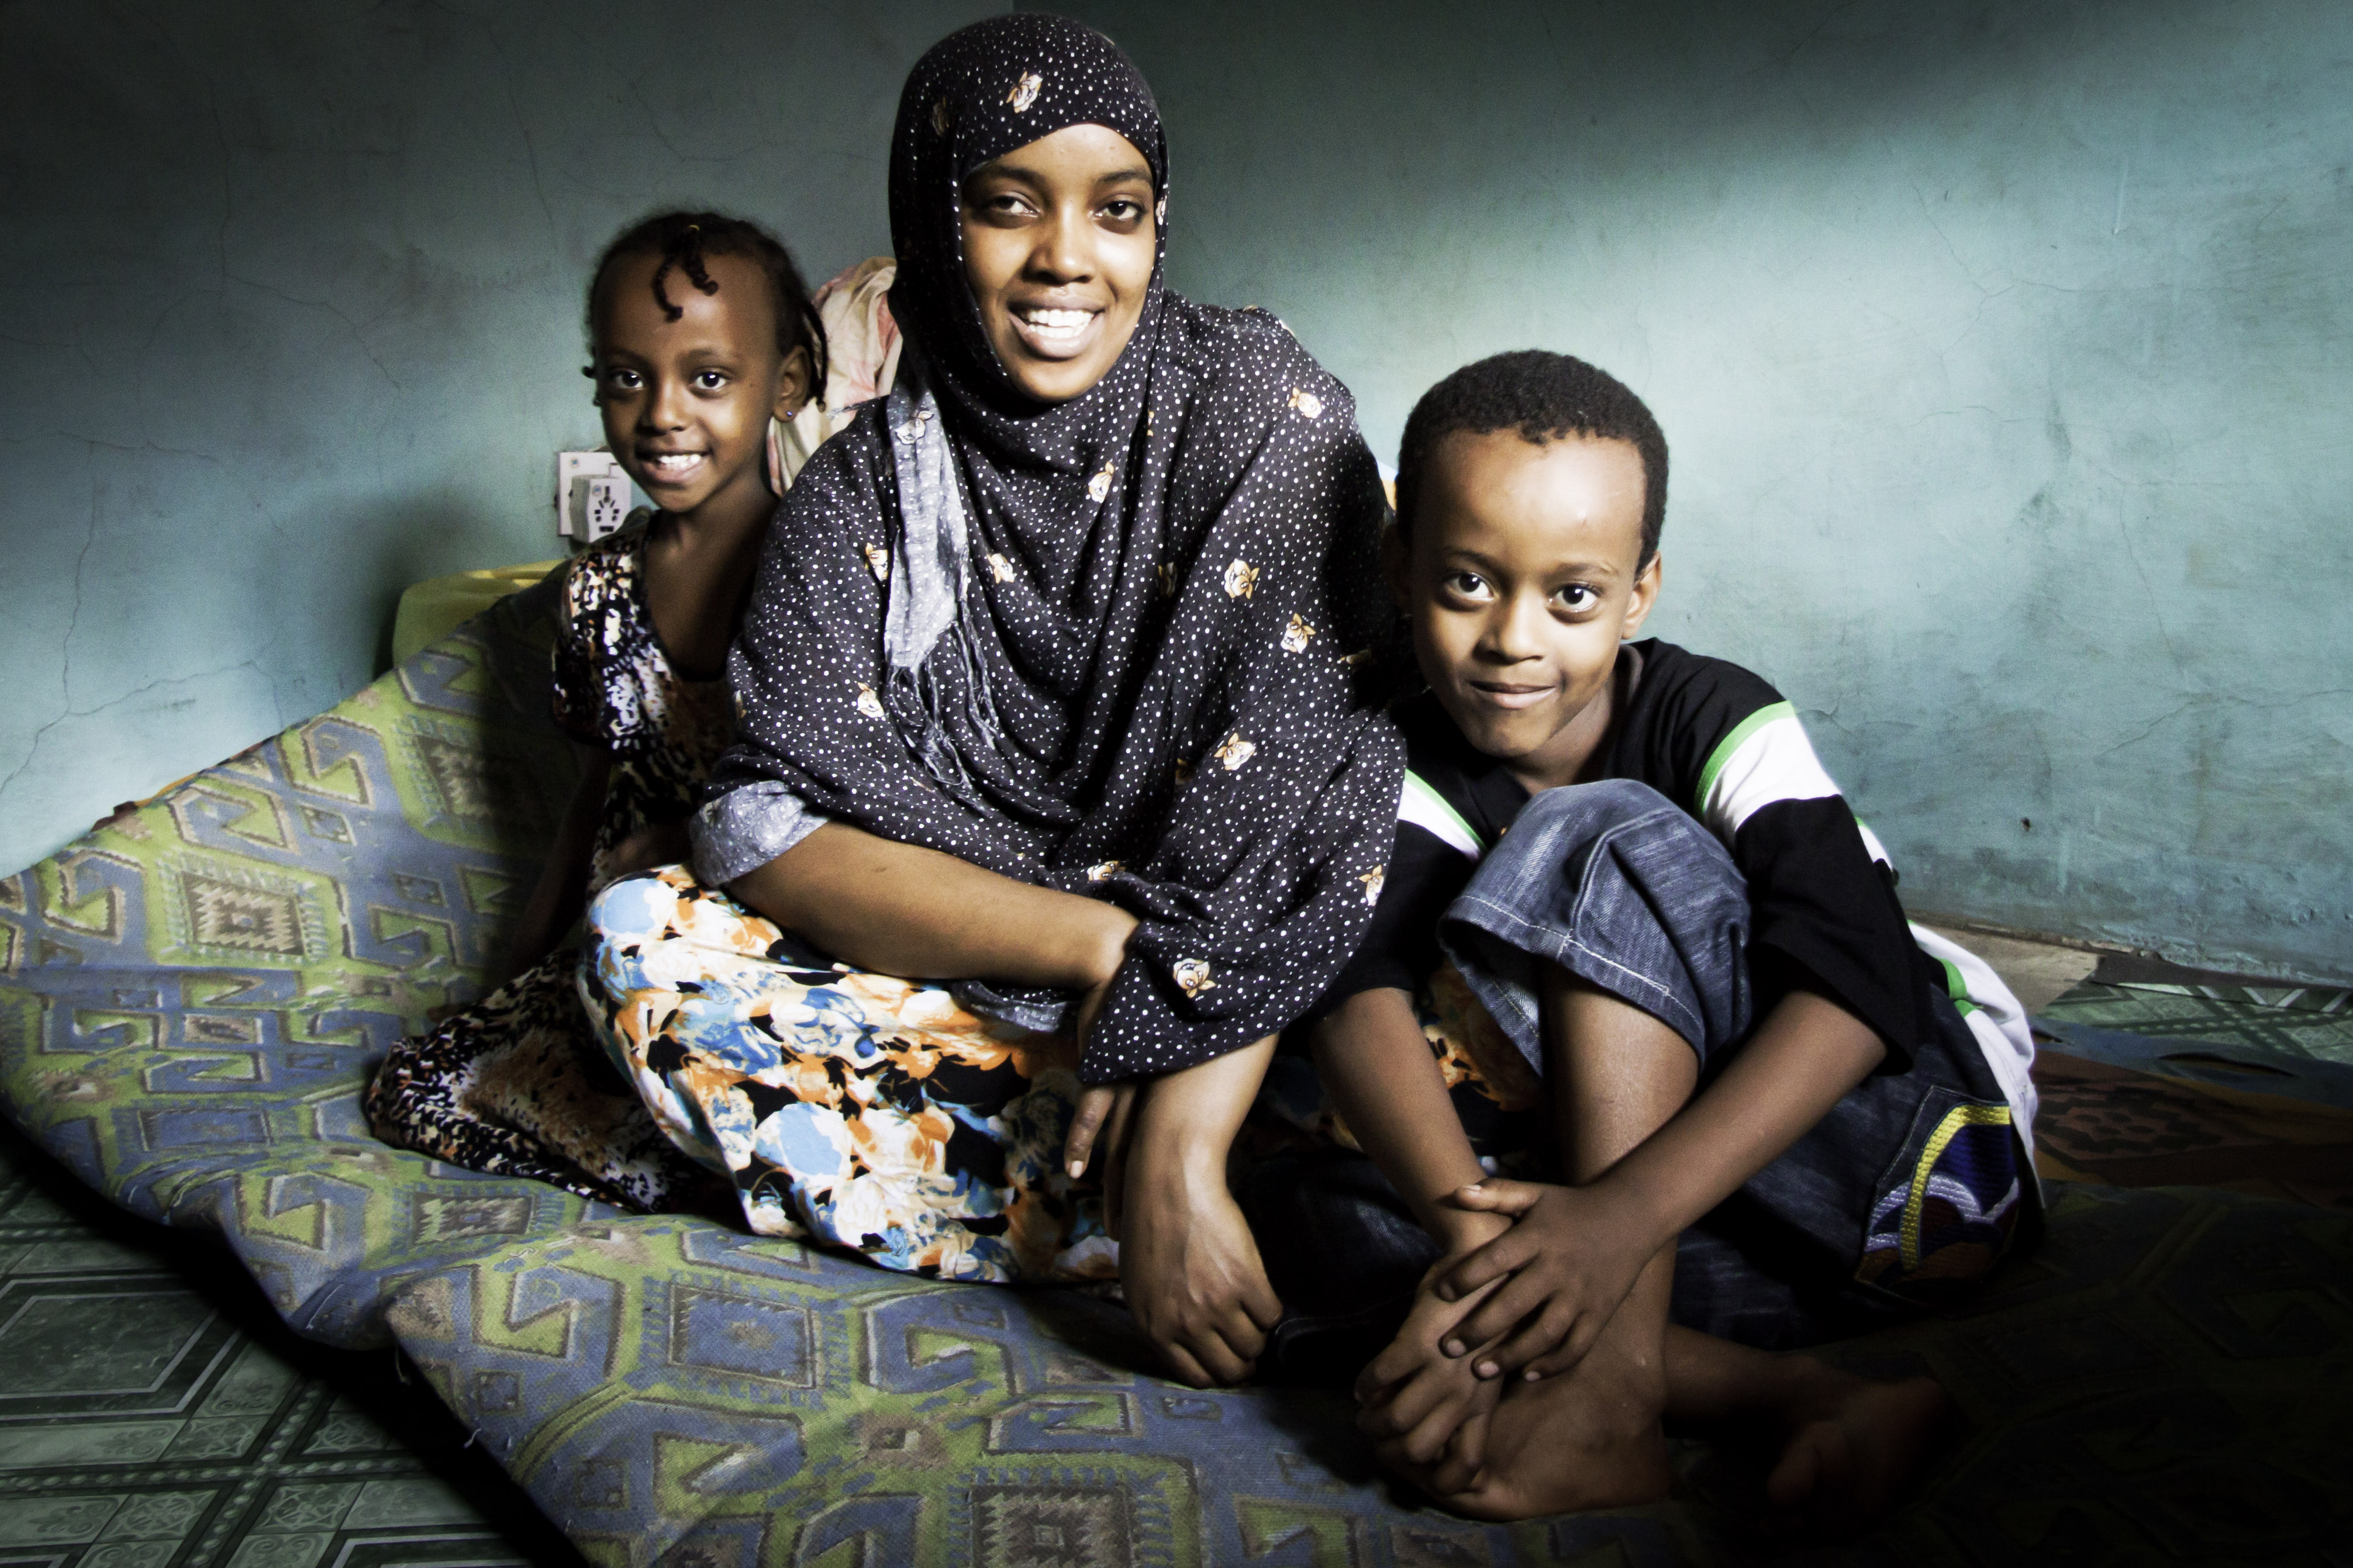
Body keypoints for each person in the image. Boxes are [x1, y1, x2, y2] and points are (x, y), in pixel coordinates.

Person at [579, 14, 1403, 1390]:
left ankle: (1172, 1181)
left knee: (1436, 961)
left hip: (1259, 991)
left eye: (1117, 211)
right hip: (993, 987)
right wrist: (1101, 960)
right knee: (639, 945)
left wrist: (1180, 1110)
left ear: (1159, 226)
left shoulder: (1264, 411)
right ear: (929, 218)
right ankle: (1194, 1216)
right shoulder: (859, 489)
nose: (1066, 259)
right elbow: (760, 820)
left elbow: (1323, 795)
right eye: (1005, 205)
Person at [1303, 350, 2038, 1531]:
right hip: (1767, 1251)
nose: (1511, 639)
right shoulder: (1402, 768)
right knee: (1332, 1214)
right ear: (1398, 568)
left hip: (1924, 1154)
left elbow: (1858, 990)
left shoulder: (1709, 716)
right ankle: (1803, 1396)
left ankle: (1598, 1406)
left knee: (1598, 832)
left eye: (1571, 597)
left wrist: (1619, 1220)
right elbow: (1352, 992)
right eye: (1464, 584)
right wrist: (1477, 1258)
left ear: (1640, 592)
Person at [367, 216, 895, 1210]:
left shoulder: (820, 573)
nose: (660, 414)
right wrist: (515, 971)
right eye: (624, 377)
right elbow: (594, 798)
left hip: (783, 933)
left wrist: (684, 852)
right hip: (627, 939)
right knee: (426, 1085)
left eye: (707, 378)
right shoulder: (596, 594)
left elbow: (864, 815)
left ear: (786, 383)